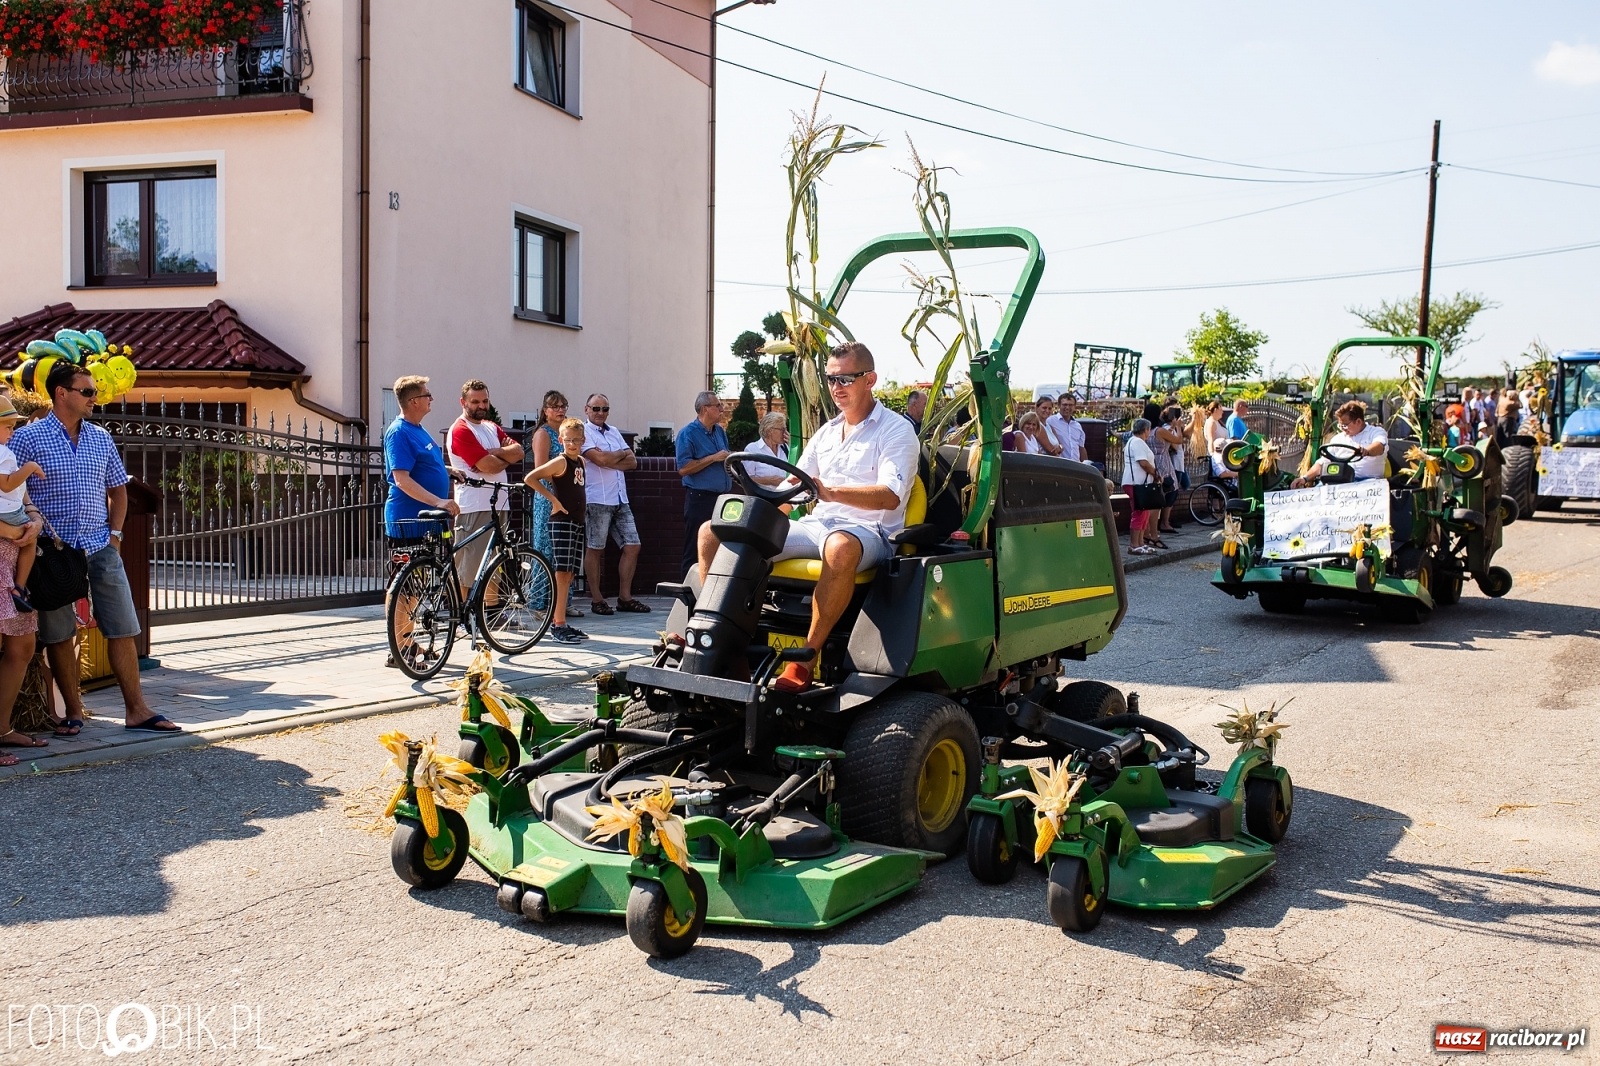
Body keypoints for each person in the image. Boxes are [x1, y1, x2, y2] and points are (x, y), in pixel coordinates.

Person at [697, 341, 917, 692]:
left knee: (839, 547)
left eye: (845, 379)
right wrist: (760, 519)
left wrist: (829, 492)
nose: (835, 388)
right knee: (713, 532)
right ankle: (718, 639)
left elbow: (890, 496)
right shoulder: (827, 433)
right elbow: (792, 486)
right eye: (831, 380)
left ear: (870, 379)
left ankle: (804, 659)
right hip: (817, 526)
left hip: (868, 531)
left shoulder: (895, 430)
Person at [10, 361, 174, 733]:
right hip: (52, 552)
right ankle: (73, 711)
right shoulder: (26, 439)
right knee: (59, 633)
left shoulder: (100, 437)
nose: (94, 397)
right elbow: (11, 490)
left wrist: (115, 536)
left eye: (95, 391)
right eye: (87, 391)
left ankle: (137, 709)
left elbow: (118, 488)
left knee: (121, 626)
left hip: (100, 544)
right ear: (61, 393)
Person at [382, 375, 459, 669]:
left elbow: (423, 464)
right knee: (403, 585)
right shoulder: (399, 432)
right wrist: (439, 501)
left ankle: (406, 641)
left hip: (426, 522)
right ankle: (399, 648)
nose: (431, 398)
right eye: (427, 394)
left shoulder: (418, 430)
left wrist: (447, 470)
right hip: (408, 519)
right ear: (414, 401)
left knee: (416, 585)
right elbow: (401, 480)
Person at [447, 379, 524, 594]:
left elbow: (518, 452)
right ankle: (462, 618)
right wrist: (498, 455)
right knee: (468, 567)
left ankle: (489, 615)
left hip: (498, 503)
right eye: (475, 402)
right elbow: (488, 466)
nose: (481, 406)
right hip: (474, 505)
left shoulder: (491, 427)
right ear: (463, 402)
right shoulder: (460, 430)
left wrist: (496, 451)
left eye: (485, 401)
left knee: (494, 565)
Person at [581, 393, 650, 615]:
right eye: (596, 409)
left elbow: (633, 462)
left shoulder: (614, 431)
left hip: (620, 498)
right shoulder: (583, 433)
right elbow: (598, 460)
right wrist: (617, 456)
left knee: (633, 545)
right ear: (587, 409)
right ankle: (597, 599)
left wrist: (611, 458)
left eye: (605, 409)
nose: (600, 413)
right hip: (597, 498)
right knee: (595, 548)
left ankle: (625, 597)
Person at [522, 418, 589, 645]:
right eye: (568, 440)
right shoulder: (560, 462)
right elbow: (531, 478)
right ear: (560, 440)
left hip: (577, 520)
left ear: (583, 441)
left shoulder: (580, 461)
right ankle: (557, 623)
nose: (572, 444)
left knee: (569, 573)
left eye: (576, 440)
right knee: (561, 572)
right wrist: (553, 501)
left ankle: (561, 620)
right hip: (562, 521)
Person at [526, 390, 582, 618]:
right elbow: (540, 469)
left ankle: (563, 602)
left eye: (563, 406)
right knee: (546, 550)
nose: (560, 410)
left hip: (567, 498)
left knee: (565, 553)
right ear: (545, 410)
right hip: (549, 498)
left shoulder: (567, 433)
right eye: (554, 406)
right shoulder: (543, 433)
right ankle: (539, 603)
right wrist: (563, 478)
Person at [0, 485, 44, 763]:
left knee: (23, 648)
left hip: (12, 563)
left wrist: (35, 521)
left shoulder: (7, 458)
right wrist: (15, 532)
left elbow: (24, 499)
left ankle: (2, 729)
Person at [675, 391, 732, 579]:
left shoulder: (719, 431)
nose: (722, 409)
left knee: (719, 547)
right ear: (705, 409)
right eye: (718, 405)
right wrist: (713, 458)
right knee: (694, 547)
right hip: (699, 499)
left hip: (721, 499)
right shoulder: (687, 433)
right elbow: (683, 468)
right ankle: (688, 596)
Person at [0, 396, 43, 612]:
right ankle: (20, 586)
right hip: (8, 512)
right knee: (30, 541)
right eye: (8, 427)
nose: (12, 432)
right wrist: (30, 467)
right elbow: (7, 485)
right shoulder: (3, 453)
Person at [1292, 400, 1388, 487]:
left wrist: (1366, 451)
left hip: (1368, 481)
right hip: (1340, 480)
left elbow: (1379, 446)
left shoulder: (1376, 432)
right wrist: (1305, 478)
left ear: (1358, 421)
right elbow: (1323, 462)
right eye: (1340, 425)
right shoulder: (1338, 439)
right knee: (1319, 489)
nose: (1342, 428)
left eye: (1345, 425)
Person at [1122, 419, 1160, 556]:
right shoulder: (1137, 442)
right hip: (1136, 482)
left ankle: (1140, 543)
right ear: (1146, 430)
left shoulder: (1134, 442)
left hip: (1139, 482)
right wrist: (1155, 474)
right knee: (1139, 513)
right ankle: (1134, 544)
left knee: (1144, 513)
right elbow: (1143, 462)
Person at [1152, 406, 1188, 538]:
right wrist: (1178, 427)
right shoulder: (1160, 430)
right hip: (1163, 463)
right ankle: (1163, 523)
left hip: (1153, 461)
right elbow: (1177, 442)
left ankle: (1157, 526)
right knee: (1170, 491)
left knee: (1159, 494)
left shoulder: (1148, 430)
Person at [744, 410, 791, 487]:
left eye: (786, 429)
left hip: (787, 496)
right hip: (764, 497)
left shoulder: (786, 448)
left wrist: (793, 447)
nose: (785, 433)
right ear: (769, 431)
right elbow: (746, 479)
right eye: (782, 429)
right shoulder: (752, 449)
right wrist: (769, 480)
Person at [1201, 400, 1237, 484]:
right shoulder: (1211, 422)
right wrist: (1213, 455)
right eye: (1221, 409)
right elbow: (1211, 440)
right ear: (1216, 410)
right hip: (1218, 455)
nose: (1222, 411)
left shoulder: (1217, 422)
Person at [1046, 393, 1087, 463]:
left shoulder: (1077, 426)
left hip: (1076, 465)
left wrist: (1086, 465)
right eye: (1064, 404)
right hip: (1060, 465)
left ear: (1074, 407)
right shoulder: (1050, 421)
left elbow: (1081, 448)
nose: (1067, 407)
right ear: (1059, 405)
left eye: (1070, 405)